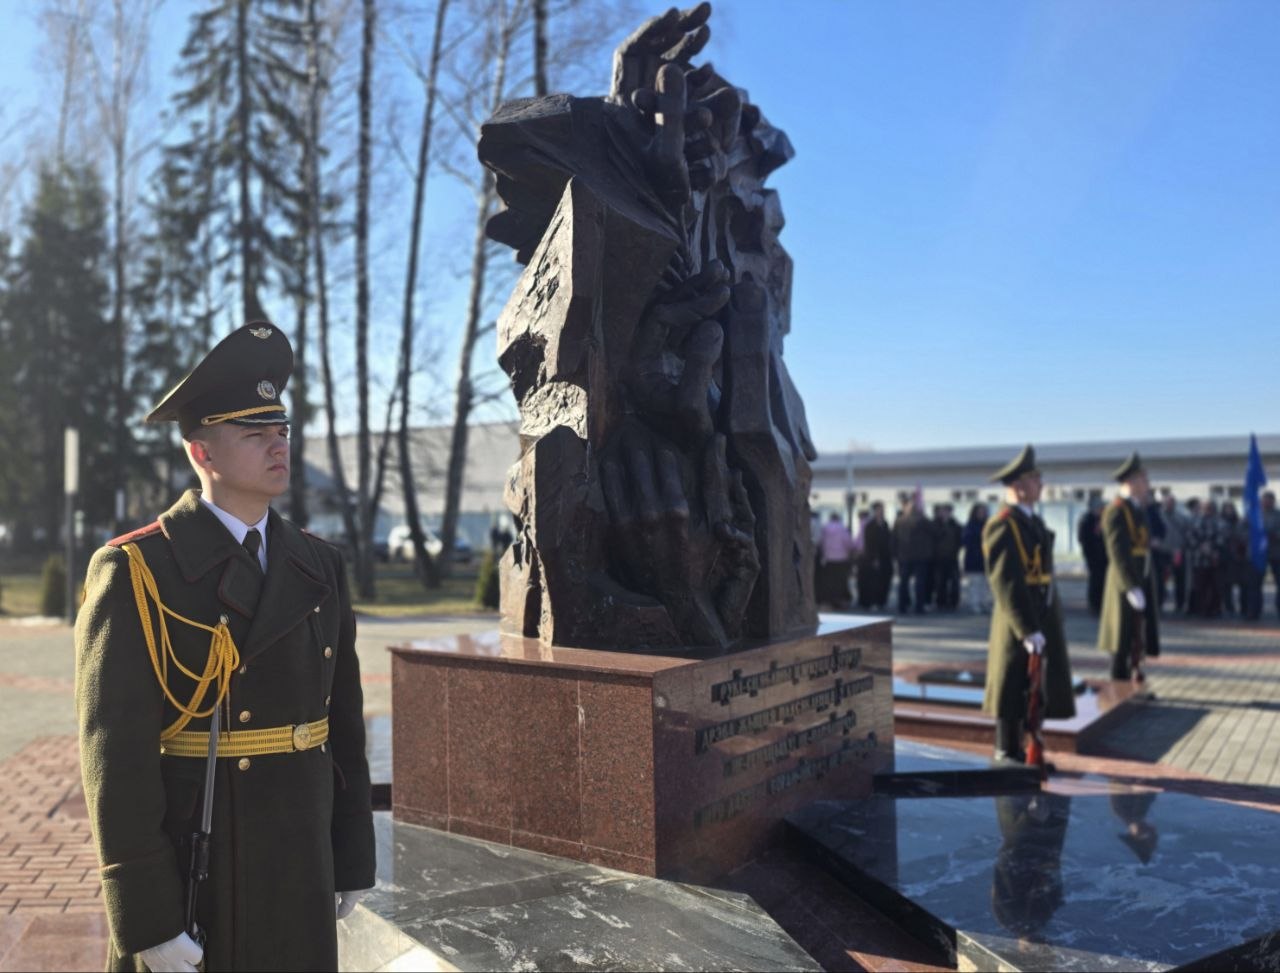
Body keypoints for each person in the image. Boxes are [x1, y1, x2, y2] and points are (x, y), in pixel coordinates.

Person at [75, 323, 375, 972]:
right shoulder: (137, 570)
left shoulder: (320, 565)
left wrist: (351, 854)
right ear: (201, 451)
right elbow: (115, 760)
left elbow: (342, 725)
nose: (278, 444)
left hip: (300, 858)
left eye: (281, 428)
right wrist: (147, 915)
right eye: (254, 432)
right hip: (202, 869)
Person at [981, 445, 1075, 764]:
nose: (1041, 483)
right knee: (1012, 685)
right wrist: (1026, 628)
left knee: (1035, 688)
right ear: (1019, 486)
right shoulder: (1002, 524)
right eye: (1035, 478)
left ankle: (1029, 751)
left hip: (1041, 615)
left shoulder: (1030, 521)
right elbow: (1006, 580)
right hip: (1018, 620)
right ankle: (1008, 752)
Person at [1097, 452, 1161, 682]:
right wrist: (1131, 586)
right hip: (1124, 583)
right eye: (1143, 479)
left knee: (1137, 637)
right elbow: (1118, 552)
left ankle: (1132, 684)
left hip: (1141, 576)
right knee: (1121, 640)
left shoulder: (1137, 508)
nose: (1147, 484)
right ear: (1131, 482)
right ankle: (1118, 686)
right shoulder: (1116, 510)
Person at [894, 497, 934, 614]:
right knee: (919, 583)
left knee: (904, 582)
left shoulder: (900, 521)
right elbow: (934, 533)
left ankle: (902, 605)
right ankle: (919, 606)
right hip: (920, 557)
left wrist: (895, 554)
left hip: (904, 556)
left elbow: (894, 539)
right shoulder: (923, 521)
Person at [857, 502, 893, 610]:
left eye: (882, 510)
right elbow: (869, 543)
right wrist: (873, 558)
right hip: (873, 557)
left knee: (884, 580)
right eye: (879, 510)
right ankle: (872, 601)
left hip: (885, 557)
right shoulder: (870, 526)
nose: (881, 512)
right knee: (873, 582)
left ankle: (882, 601)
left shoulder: (885, 524)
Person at [817, 512, 858, 609]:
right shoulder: (842, 529)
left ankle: (830, 601)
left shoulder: (825, 529)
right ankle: (840, 601)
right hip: (841, 559)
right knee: (840, 582)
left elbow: (820, 542)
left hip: (829, 559)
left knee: (830, 581)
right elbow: (848, 543)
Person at [1076, 497, 1107, 615]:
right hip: (1092, 554)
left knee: (1103, 579)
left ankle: (1101, 604)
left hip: (1103, 555)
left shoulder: (1102, 519)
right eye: (1100, 508)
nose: (1101, 510)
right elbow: (1082, 537)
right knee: (1095, 579)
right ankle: (1094, 604)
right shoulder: (1086, 519)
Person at [1159, 493, 1188, 613]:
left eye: (1171, 502)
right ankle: (1160, 604)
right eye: (1167, 502)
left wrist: (1181, 547)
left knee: (1179, 579)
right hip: (1162, 551)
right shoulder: (1158, 516)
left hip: (1177, 551)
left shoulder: (1181, 517)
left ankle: (1179, 605)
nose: (1169, 504)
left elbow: (1186, 532)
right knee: (1161, 579)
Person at [961, 502, 991, 613]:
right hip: (973, 557)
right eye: (980, 512)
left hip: (986, 558)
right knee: (975, 582)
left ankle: (984, 602)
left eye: (984, 512)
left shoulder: (989, 525)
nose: (982, 514)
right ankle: (974, 603)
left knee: (985, 583)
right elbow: (965, 541)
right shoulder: (970, 526)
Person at [932, 504, 962, 611]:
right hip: (939, 558)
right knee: (940, 582)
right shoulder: (936, 524)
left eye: (947, 512)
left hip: (952, 557)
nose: (945, 514)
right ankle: (941, 602)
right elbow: (934, 538)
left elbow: (959, 539)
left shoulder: (955, 524)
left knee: (954, 581)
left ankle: (954, 602)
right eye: (943, 511)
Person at [1264, 491, 1280, 620]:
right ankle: (1252, 612)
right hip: (1259, 554)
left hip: (1276, 553)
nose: (1267, 503)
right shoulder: (1255, 514)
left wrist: (1275, 534)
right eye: (1265, 500)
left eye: (1269, 500)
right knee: (1253, 583)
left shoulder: (1278, 515)